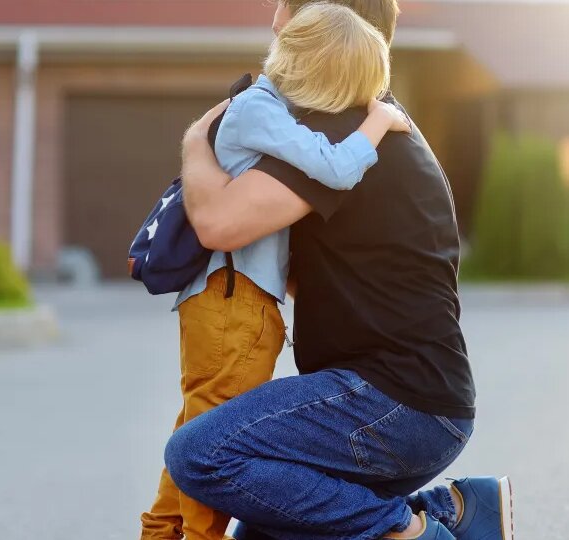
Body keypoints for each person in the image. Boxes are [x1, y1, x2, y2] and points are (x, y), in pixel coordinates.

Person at [163, 1, 514, 539]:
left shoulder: (338, 133)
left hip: (391, 402)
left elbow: (218, 223)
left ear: (328, 26)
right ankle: (462, 512)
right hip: (416, 405)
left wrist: (193, 140)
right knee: (263, 528)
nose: (276, 22)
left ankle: (413, 531)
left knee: (199, 454)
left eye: (288, 10)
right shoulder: (375, 123)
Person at [140, 4, 412, 539]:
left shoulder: (263, 110)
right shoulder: (260, 110)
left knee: (200, 422)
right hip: (231, 300)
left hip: (235, 299)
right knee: (211, 441)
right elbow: (334, 167)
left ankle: (160, 532)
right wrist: (378, 121)